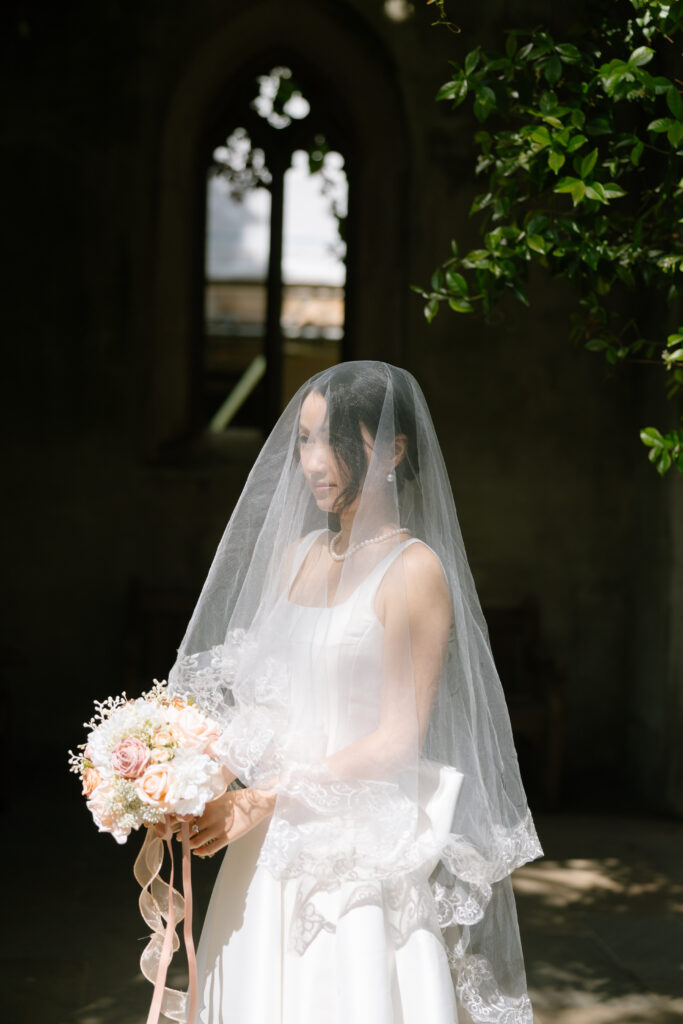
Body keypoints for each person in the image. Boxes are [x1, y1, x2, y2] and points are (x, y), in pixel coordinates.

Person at [168, 361, 543, 1023]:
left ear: (392, 449)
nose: (313, 462)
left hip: (350, 854)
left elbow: (397, 738)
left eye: (334, 442)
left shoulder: (414, 570)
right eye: (305, 440)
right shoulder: (299, 556)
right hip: (259, 845)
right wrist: (194, 779)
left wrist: (266, 796)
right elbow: (263, 704)